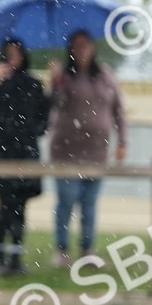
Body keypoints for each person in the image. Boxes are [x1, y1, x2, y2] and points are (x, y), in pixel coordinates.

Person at [47, 30, 127, 267]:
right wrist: (56, 81)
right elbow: (54, 103)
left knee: (89, 203)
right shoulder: (64, 76)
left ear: (93, 48)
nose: (81, 50)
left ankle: (87, 249)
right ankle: (61, 250)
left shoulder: (105, 76)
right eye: (77, 46)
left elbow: (119, 111)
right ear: (70, 49)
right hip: (66, 149)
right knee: (67, 199)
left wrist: (123, 140)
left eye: (85, 45)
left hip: (97, 152)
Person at [0, 39, 50, 276]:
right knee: (4, 205)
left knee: (19, 205)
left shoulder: (33, 84)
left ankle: (16, 257)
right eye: (9, 54)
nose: (13, 58)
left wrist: (33, 131)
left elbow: (44, 113)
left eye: (17, 53)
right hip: (0, 152)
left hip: (24, 153)